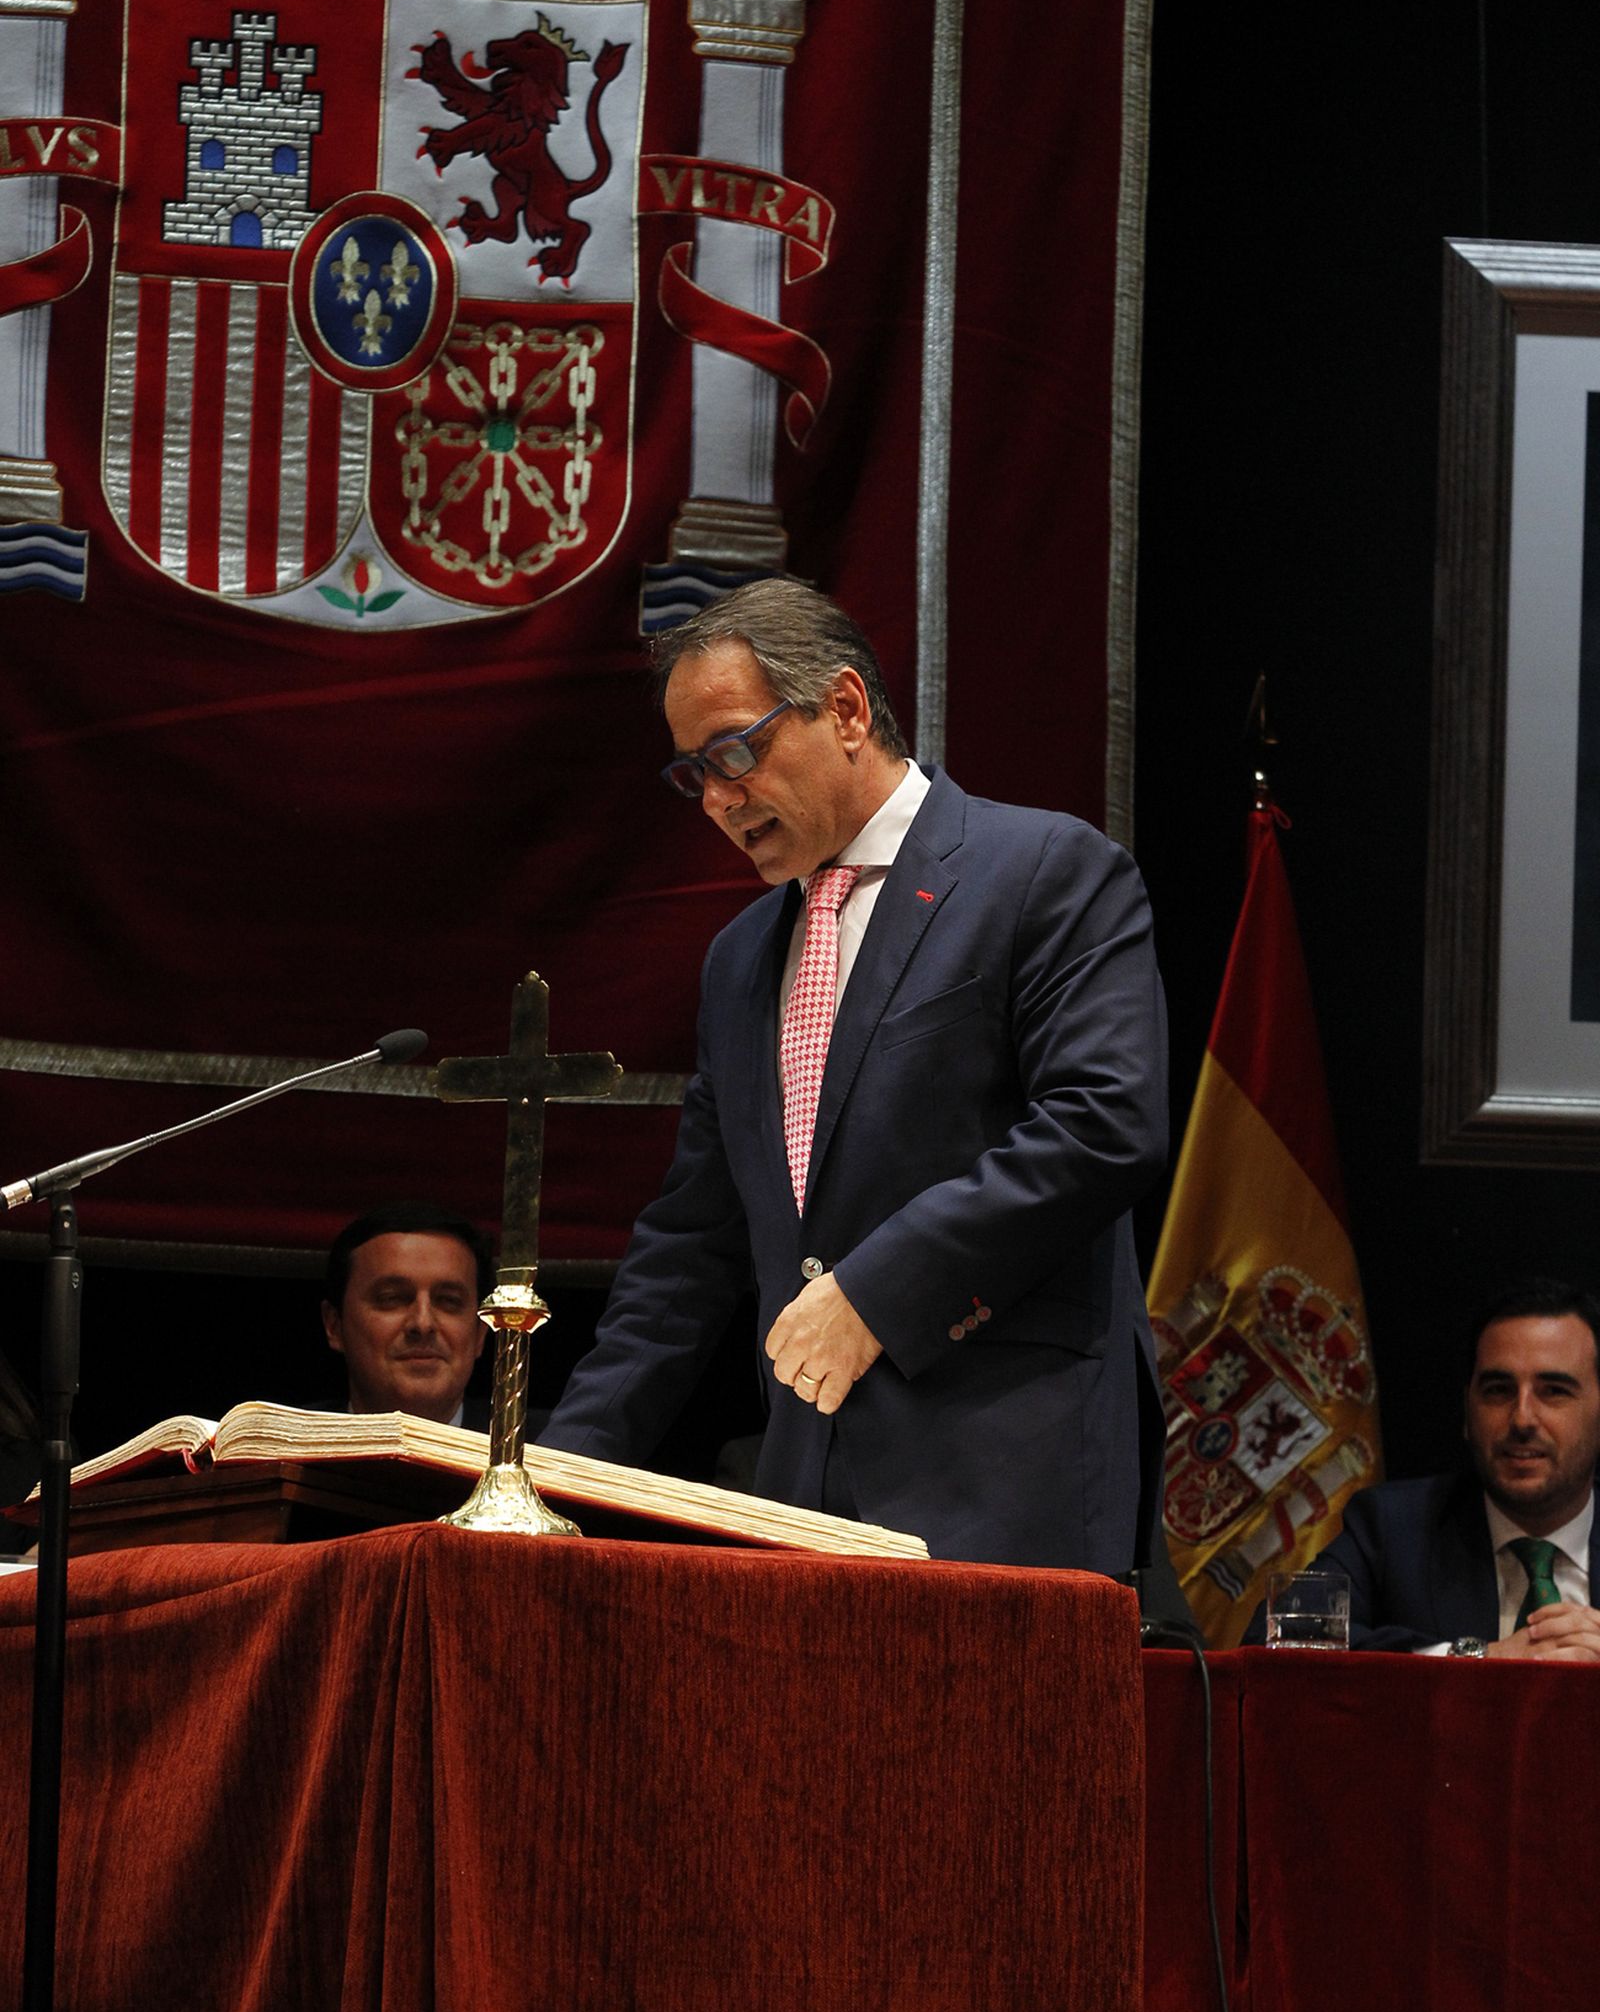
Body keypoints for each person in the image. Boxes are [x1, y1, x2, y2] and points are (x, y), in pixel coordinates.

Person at [541, 579, 1170, 1568]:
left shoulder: (1045, 869)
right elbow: (690, 1251)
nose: (717, 799)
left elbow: (1103, 1123)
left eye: (735, 752)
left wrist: (877, 1292)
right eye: (693, 775)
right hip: (804, 1505)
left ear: (843, 709)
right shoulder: (740, 959)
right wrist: (548, 1483)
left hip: (1012, 1490)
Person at [1264, 1278, 1600, 1656]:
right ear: (1467, 1412)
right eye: (1498, 1390)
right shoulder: (1394, 1528)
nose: (1522, 1419)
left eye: (1554, 1391)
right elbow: (1278, 1639)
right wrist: (1478, 1659)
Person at [322, 1201, 494, 1429]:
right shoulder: (282, 1444)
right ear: (334, 1325)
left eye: (448, 1301)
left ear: (480, 1332)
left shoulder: (532, 1445)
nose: (423, 1323)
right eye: (391, 1298)